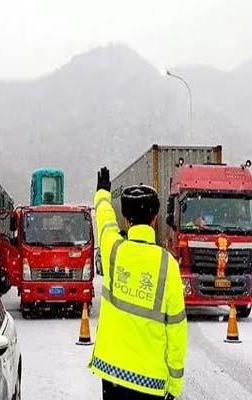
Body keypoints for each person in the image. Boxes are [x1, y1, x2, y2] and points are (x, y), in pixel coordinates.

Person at [90, 167, 187, 400]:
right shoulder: (168, 265)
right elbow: (176, 330)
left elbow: (104, 218)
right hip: (149, 381)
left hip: (112, 373)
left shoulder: (113, 250)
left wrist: (102, 193)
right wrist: (174, 384)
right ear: (154, 220)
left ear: (125, 219)